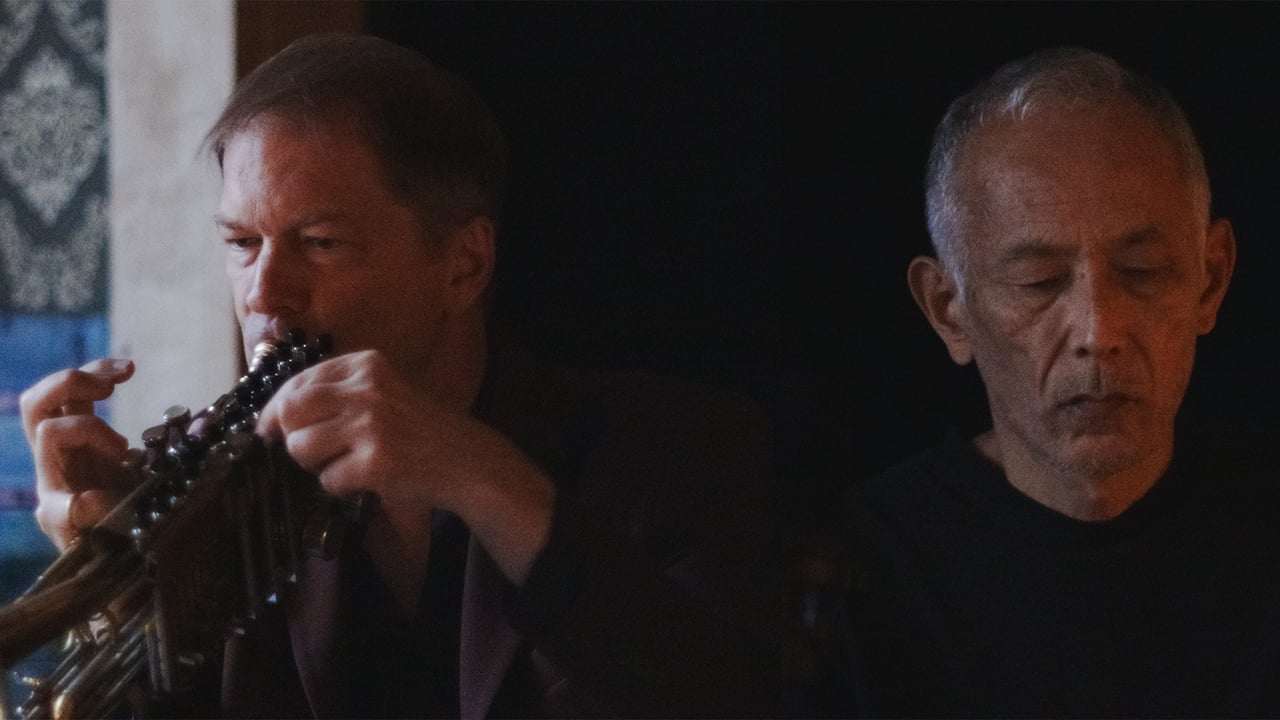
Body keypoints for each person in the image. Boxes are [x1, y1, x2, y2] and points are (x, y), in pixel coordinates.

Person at [18, 33, 779, 718]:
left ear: (464, 265)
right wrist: (115, 598)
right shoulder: (207, 481)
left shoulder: (670, 452)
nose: (262, 295)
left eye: (320, 242)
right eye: (243, 243)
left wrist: (482, 476)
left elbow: (720, 693)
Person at [843, 46, 1280, 716]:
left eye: (1141, 271)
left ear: (1210, 279)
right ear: (948, 310)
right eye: (1038, 282)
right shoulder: (859, 567)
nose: (1097, 332)